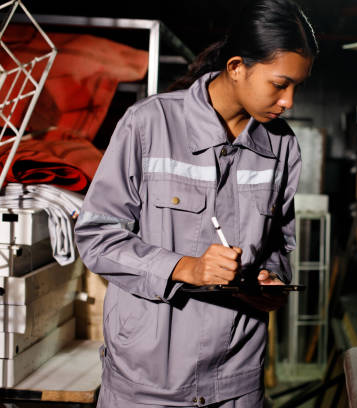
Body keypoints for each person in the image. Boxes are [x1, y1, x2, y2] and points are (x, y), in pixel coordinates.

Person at [74, 0, 318, 406]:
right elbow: (97, 238)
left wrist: (269, 280)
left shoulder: (282, 146)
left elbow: (278, 244)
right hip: (148, 381)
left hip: (235, 379)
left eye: (297, 86)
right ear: (237, 67)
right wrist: (188, 268)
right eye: (280, 84)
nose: (289, 100)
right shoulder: (148, 125)